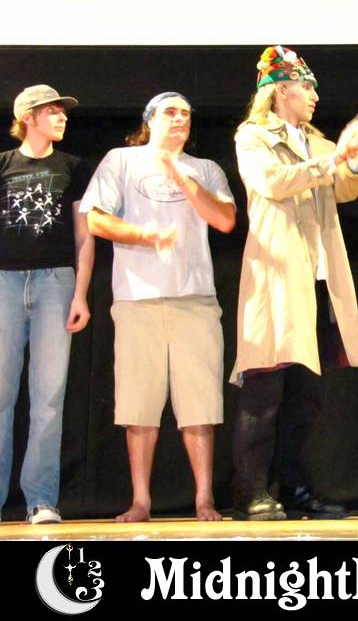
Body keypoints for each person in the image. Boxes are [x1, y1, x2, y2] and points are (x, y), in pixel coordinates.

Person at [229, 46, 358, 520]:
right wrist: (334, 159)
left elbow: (348, 189)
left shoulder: (317, 141)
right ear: (281, 91)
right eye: (306, 87)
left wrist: (351, 156)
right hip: (276, 276)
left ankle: (294, 489)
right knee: (265, 389)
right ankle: (251, 492)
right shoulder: (253, 135)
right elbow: (272, 182)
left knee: (306, 398)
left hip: (318, 276)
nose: (314, 96)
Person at [80, 92, 235, 522]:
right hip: (137, 298)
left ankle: (204, 500)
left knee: (200, 407)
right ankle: (141, 502)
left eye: (186, 113)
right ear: (149, 119)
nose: (180, 119)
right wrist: (143, 235)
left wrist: (183, 178)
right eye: (170, 112)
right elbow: (94, 219)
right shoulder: (121, 161)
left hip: (195, 298)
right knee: (140, 407)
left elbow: (225, 220)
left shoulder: (206, 169)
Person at [0, 85, 94, 524]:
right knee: (1, 397)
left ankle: (40, 500)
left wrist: (81, 294)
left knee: (48, 399)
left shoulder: (72, 167)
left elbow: (84, 236)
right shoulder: (3, 164)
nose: (62, 117)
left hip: (56, 283)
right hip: (4, 282)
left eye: (63, 111)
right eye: (52, 111)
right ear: (28, 117)